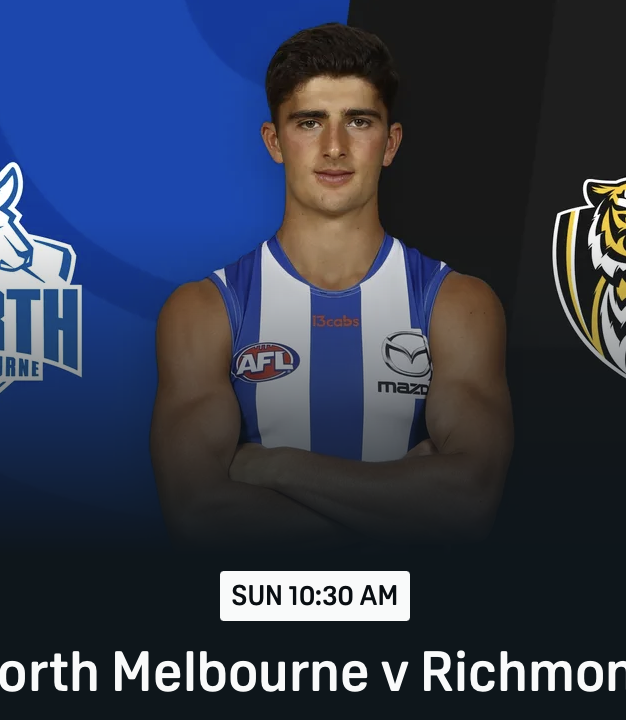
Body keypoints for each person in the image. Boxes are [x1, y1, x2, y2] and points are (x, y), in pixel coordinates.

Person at [150, 22, 513, 548]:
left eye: (358, 121)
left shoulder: (457, 304)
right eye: (310, 122)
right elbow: (198, 514)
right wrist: (403, 514)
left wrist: (273, 467)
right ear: (275, 142)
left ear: (390, 144)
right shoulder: (205, 309)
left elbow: (467, 505)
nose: (335, 147)